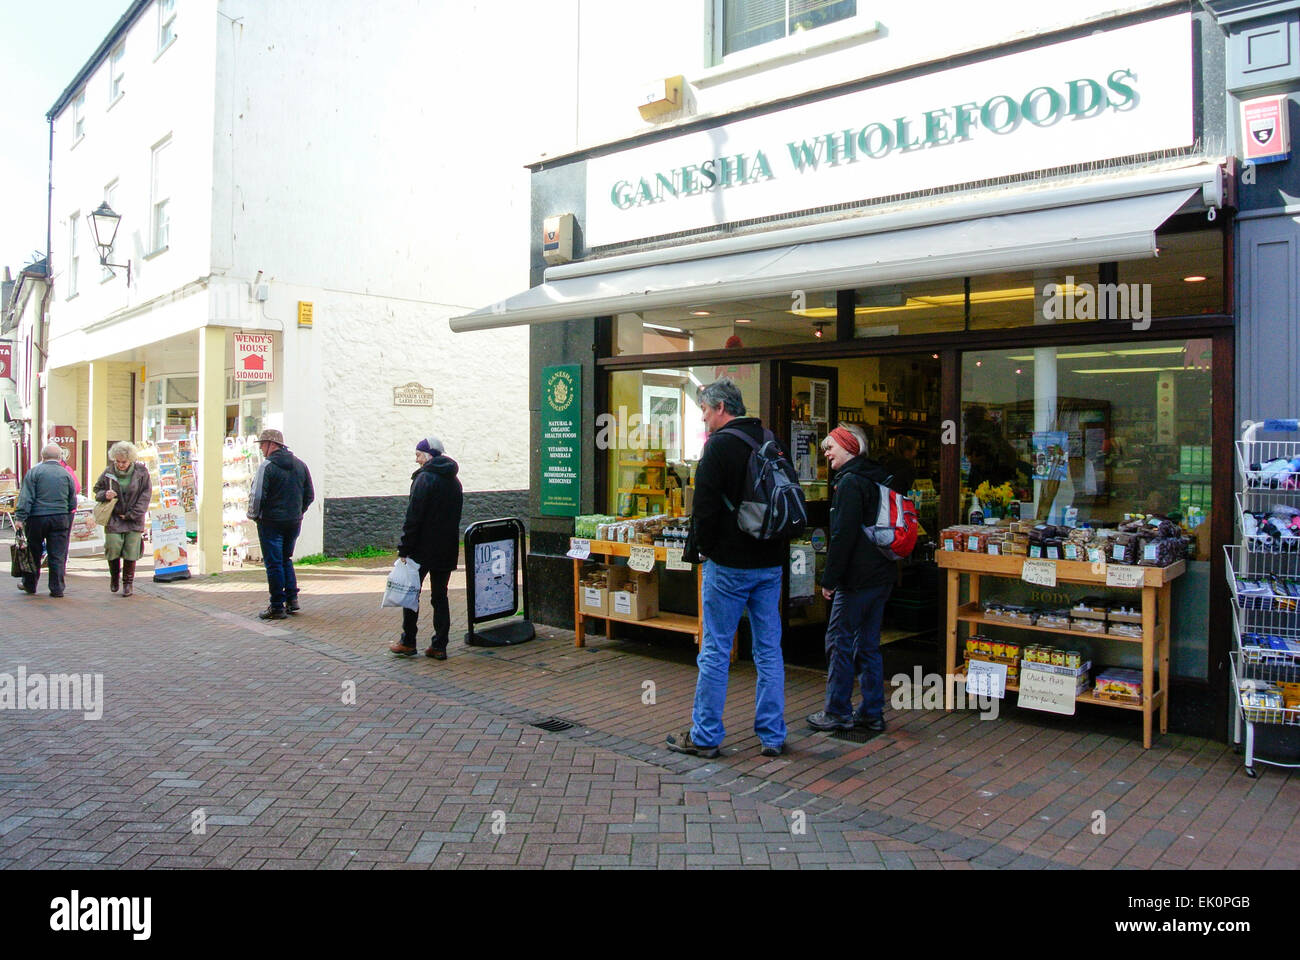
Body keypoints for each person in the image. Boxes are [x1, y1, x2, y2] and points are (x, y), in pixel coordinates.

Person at [667, 377, 789, 759]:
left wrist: (703, 550)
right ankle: (772, 735)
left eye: (704, 409)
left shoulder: (718, 448)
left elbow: (702, 509)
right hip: (770, 563)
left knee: (716, 650)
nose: (703, 417)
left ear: (721, 408)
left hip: (729, 566)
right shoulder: (770, 440)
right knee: (769, 650)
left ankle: (705, 736)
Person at [807, 424, 898, 734]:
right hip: (881, 574)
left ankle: (836, 711)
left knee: (839, 642)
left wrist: (829, 580)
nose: (827, 453)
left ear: (849, 448)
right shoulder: (879, 478)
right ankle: (872, 712)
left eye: (831, 447)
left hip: (856, 578)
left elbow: (843, 536)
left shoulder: (849, 484)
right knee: (868, 645)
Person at [389, 435, 463, 660]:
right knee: (440, 597)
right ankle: (440, 645)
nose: (417, 460)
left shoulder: (424, 480)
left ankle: (408, 641)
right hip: (446, 547)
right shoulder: (454, 481)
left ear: (429, 455)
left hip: (421, 548)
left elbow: (414, 518)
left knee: (411, 594)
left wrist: (404, 548)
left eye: (419, 455)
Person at [247, 428, 314, 620]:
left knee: (274, 563)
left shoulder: (266, 467)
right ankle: (292, 599)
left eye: (262, 445)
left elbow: (257, 495)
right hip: (293, 522)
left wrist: (254, 515)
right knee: (286, 559)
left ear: (271, 445)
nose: (261, 449)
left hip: (270, 522)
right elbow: (309, 495)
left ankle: (277, 605)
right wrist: (298, 512)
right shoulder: (300, 465)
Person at [13, 442, 78, 597]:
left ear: (42, 456)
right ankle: (57, 588)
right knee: (57, 553)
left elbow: (26, 497)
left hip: (37, 518)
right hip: (60, 517)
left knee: (33, 552)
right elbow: (72, 499)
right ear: (59, 457)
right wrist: (67, 513)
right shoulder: (67, 474)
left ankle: (30, 584)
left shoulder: (34, 472)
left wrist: (20, 517)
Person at [92, 441, 152, 596]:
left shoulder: (141, 472)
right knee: (112, 546)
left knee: (131, 550)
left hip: (134, 518)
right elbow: (97, 489)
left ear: (130, 459)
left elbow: (146, 495)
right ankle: (114, 577)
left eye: (123, 462)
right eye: (117, 461)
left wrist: (133, 514)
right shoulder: (108, 472)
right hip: (114, 517)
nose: (120, 465)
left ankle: (128, 583)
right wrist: (105, 494)